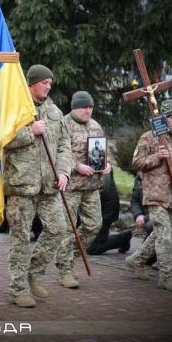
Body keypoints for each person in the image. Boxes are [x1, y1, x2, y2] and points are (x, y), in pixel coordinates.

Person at [2, 65, 71, 308]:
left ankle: (33, 273)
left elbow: (64, 144)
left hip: (49, 184)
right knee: (20, 237)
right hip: (21, 183)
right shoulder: (15, 107)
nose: (49, 86)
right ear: (32, 83)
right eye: (44, 82)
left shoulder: (54, 111)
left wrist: (63, 171)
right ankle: (18, 288)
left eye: (50, 82)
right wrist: (30, 131)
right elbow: (3, 139)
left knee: (57, 228)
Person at [125, 99, 172, 293]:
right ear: (163, 118)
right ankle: (167, 276)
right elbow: (137, 162)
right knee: (164, 234)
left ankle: (137, 259)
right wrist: (158, 157)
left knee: (160, 233)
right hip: (155, 195)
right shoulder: (149, 138)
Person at [54, 91, 113, 288]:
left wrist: (107, 165)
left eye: (90, 107)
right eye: (84, 107)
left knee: (94, 225)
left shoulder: (95, 125)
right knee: (68, 229)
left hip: (91, 186)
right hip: (69, 186)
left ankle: (69, 257)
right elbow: (55, 153)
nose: (88, 110)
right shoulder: (62, 125)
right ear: (74, 107)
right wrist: (76, 166)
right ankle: (65, 270)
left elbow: (103, 151)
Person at [130, 170, 172, 266]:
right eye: (138, 171)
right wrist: (138, 216)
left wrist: (145, 218)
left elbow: (169, 208)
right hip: (154, 219)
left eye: (143, 170)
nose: (140, 174)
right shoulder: (139, 180)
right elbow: (135, 201)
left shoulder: (164, 180)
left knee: (151, 226)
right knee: (147, 260)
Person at [86, 168, 133, 255]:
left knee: (93, 248)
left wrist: (82, 195)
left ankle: (122, 239)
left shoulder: (102, 164)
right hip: (92, 211)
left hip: (105, 210)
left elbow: (103, 189)